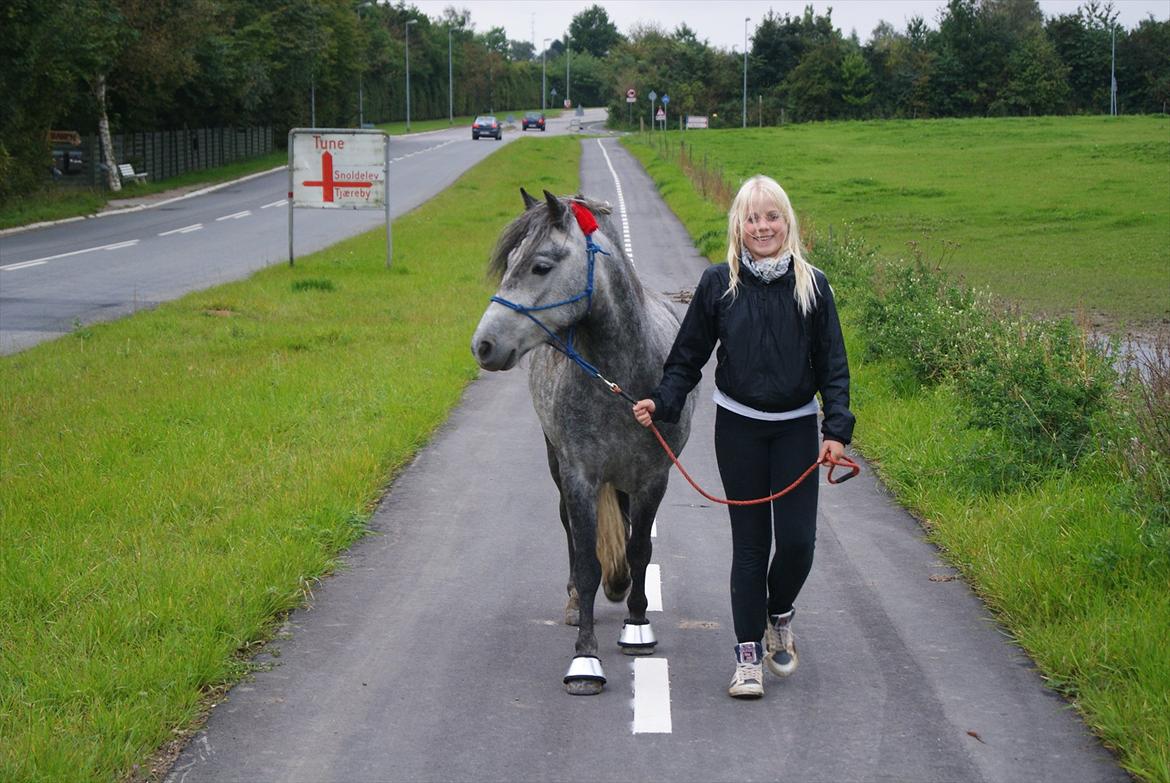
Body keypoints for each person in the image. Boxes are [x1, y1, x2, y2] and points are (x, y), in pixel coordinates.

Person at [632, 174, 854, 699]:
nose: (762, 227)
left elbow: (833, 366)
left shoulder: (813, 286)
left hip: (797, 429)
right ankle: (748, 656)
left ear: (787, 222)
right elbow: (686, 359)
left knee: (798, 543)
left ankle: (779, 611)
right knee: (751, 547)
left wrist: (837, 428)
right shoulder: (717, 285)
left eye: (771, 216)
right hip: (739, 431)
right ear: (738, 225)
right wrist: (661, 402)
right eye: (752, 218)